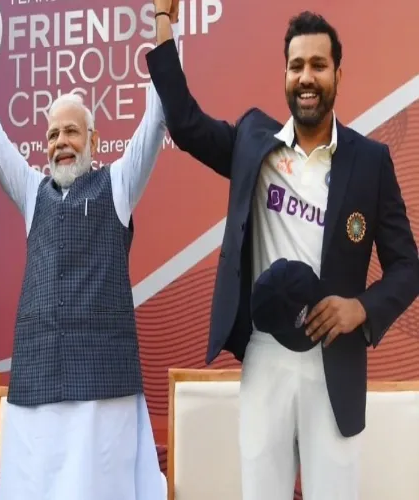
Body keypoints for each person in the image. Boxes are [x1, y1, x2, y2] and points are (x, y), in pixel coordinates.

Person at [147, 8, 419, 500]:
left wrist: (361, 308)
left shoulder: (370, 162)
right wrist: (165, 22)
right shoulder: (256, 142)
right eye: (296, 66)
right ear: (284, 75)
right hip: (265, 355)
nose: (306, 77)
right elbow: (185, 124)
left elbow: (407, 266)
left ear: (338, 72)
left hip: (335, 361)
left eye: (318, 65)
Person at [0, 0, 175, 497]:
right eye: (51, 134)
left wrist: (165, 25)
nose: (60, 141)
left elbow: (158, 116)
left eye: (71, 130)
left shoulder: (117, 185)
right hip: (38, 382)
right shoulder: (31, 192)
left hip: (102, 389)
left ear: (93, 138)